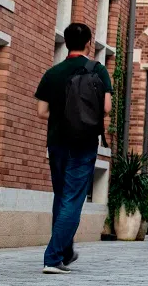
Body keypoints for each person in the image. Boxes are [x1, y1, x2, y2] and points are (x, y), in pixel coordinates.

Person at [35, 23, 112, 274]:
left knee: (61, 196)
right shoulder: (98, 70)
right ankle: (53, 258)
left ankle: (65, 252)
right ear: (89, 43)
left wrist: (62, 116)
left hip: (57, 142)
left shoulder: (52, 73)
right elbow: (107, 108)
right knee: (73, 199)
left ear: (66, 43)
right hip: (84, 142)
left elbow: (41, 112)